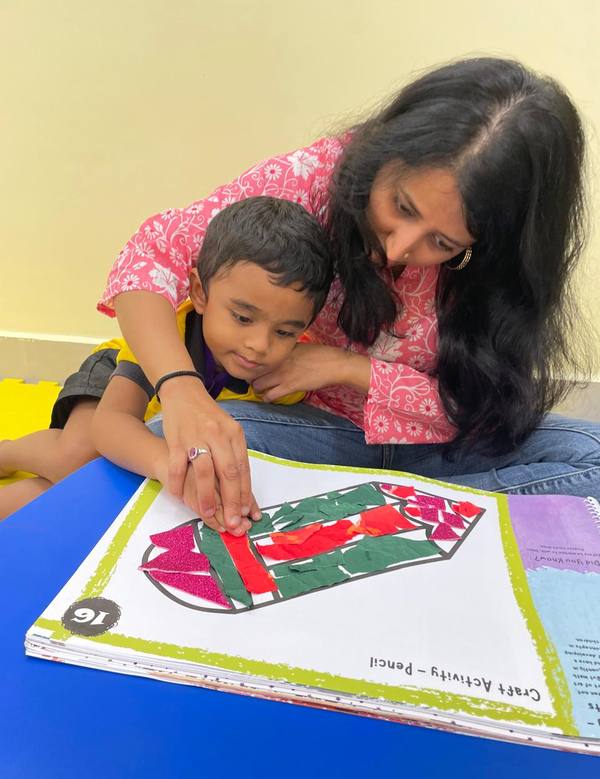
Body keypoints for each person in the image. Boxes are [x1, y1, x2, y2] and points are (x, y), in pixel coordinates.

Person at [98, 56, 600, 533]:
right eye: (401, 206)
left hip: (439, 451)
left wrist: (341, 366)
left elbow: (481, 410)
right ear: (383, 154)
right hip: (321, 435)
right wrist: (181, 389)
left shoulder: (499, 272)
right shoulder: (313, 180)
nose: (401, 247)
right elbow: (151, 256)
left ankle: (380, 508)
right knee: (183, 441)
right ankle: (420, 513)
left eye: (443, 243)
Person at [0, 197, 332, 523]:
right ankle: (8, 453)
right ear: (199, 293)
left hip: (159, 423)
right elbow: (111, 423)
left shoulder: (289, 372)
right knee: (76, 461)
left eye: (285, 332)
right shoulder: (166, 335)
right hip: (115, 374)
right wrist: (165, 464)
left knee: (94, 489)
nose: (260, 345)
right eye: (243, 318)